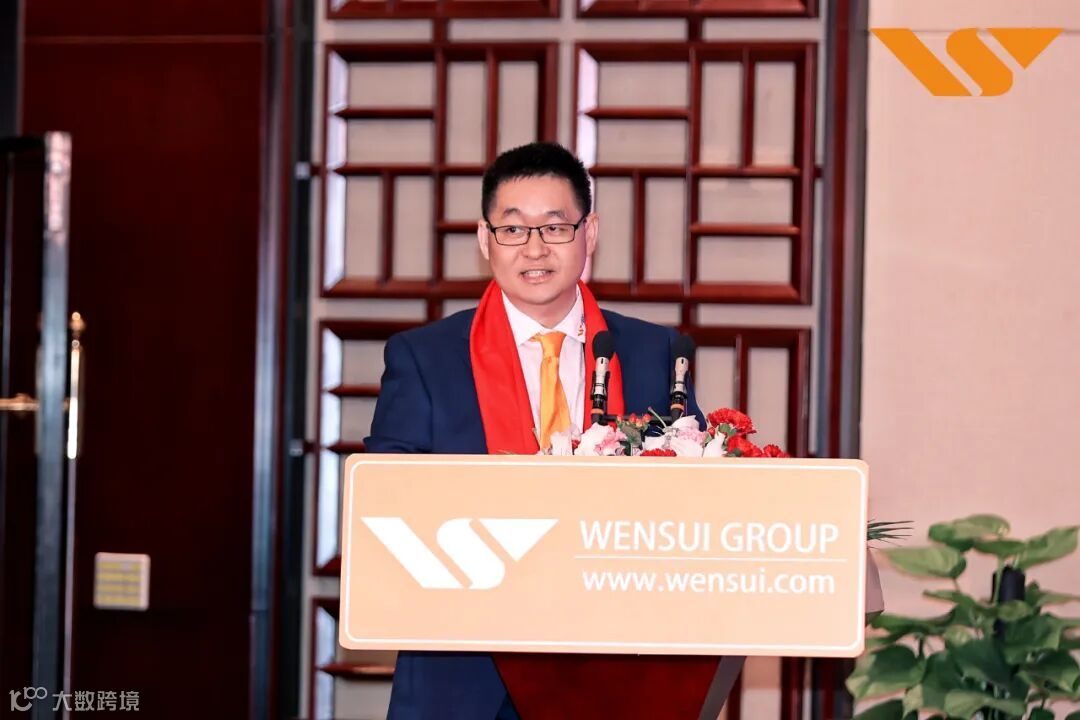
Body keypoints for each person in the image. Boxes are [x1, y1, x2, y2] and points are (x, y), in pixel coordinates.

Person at [364, 141, 702, 720]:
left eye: (556, 227)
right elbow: (386, 506)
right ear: (485, 238)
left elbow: (694, 500)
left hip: (615, 667)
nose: (535, 248)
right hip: (464, 675)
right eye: (513, 229)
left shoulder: (653, 352)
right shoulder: (425, 357)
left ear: (590, 234)